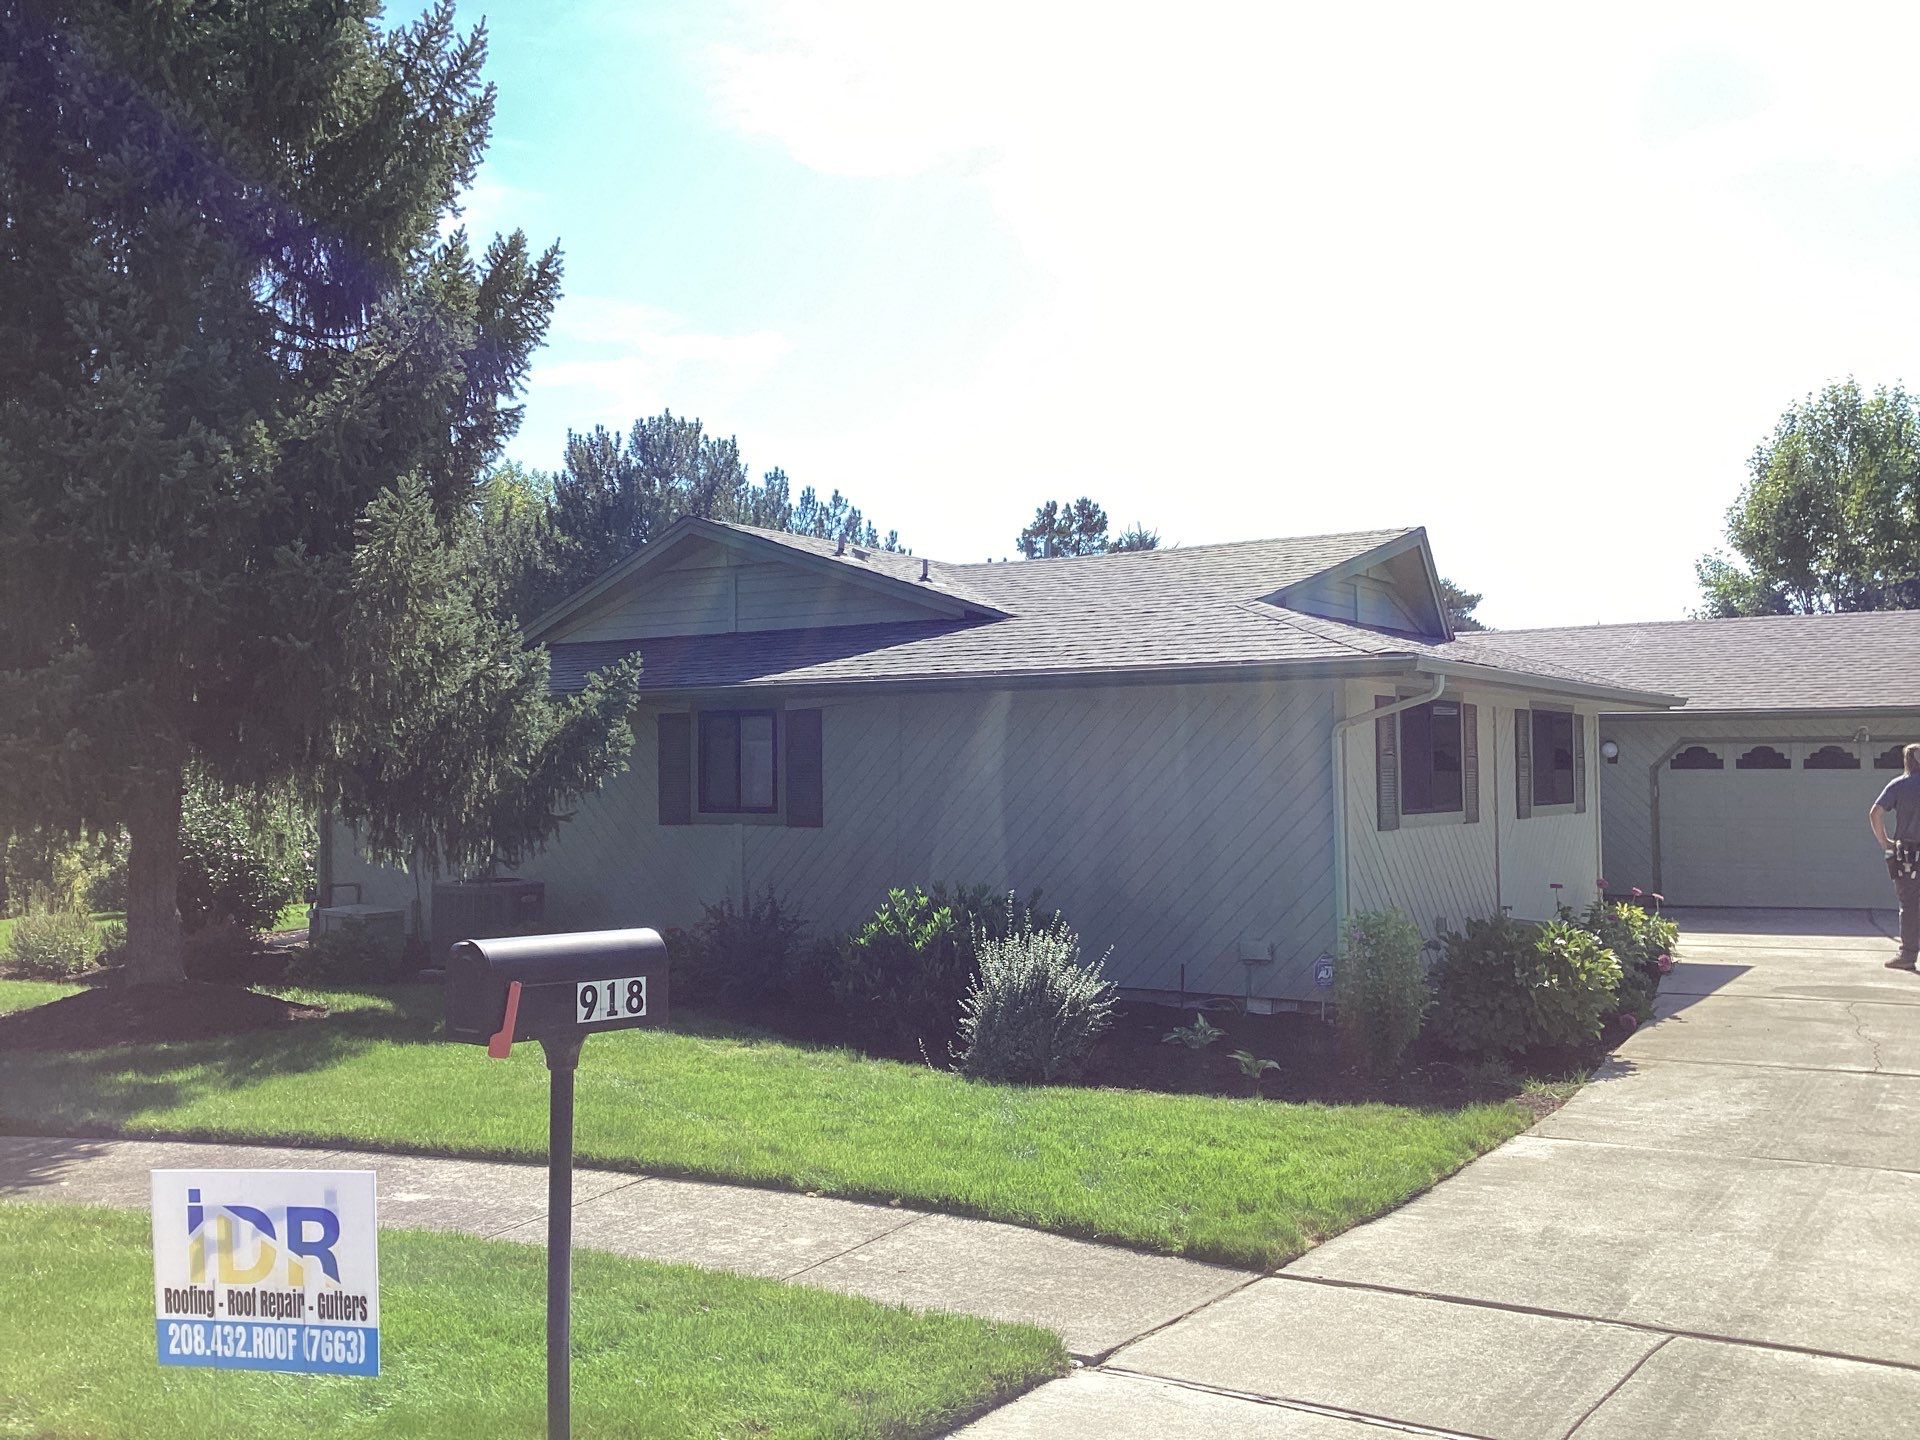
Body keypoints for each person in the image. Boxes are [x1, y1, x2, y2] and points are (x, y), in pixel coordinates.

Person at [1870, 742, 1920, 970]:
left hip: (1908, 854)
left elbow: (1875, 813)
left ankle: (1908, 957)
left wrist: (1885, 842)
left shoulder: (1900, 785)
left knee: (1909, 905)